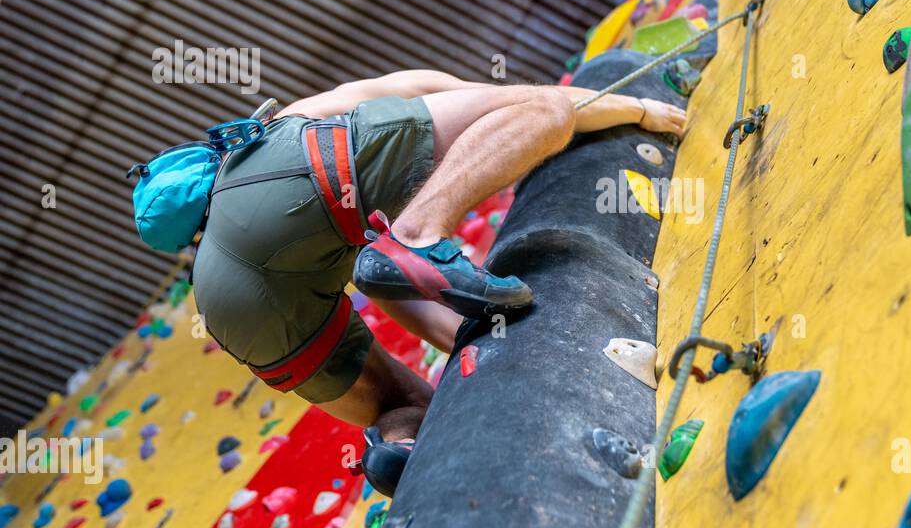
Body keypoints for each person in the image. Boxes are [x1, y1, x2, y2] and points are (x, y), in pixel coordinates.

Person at [189, 70, 684, 493]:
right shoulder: (347, 109)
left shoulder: (231, 214)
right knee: (542, 109)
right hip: (301, 174)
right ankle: (421, 232)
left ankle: (396, 447)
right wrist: (639, 109)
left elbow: (388, 277)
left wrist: (473, 338)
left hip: (226, 301)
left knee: (405, 407)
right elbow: (550, 107)